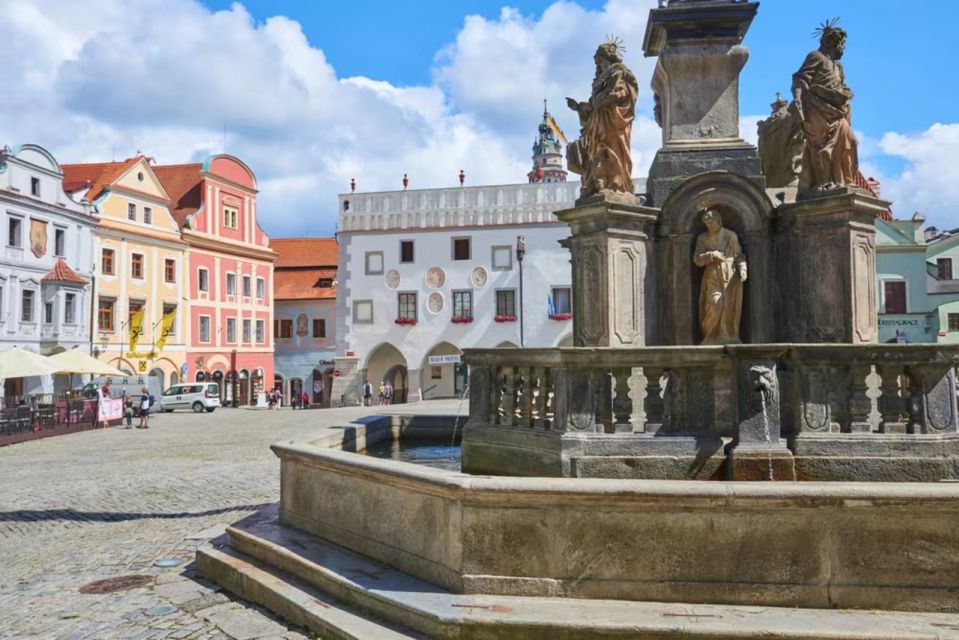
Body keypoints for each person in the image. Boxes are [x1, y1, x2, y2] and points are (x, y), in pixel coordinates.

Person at [693, 210, 747, 345]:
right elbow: (697, 259)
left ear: (719, 221)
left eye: (712, 222)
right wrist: (711, 255)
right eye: (707, 223)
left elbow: (739, 256)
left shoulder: (730, 235)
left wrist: (743, 268)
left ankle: (729, 337)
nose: (709, 226)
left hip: (730, 274)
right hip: (712, 274)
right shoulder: (702, 238)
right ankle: (709, 337)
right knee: (716, 304)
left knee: (729, 307)